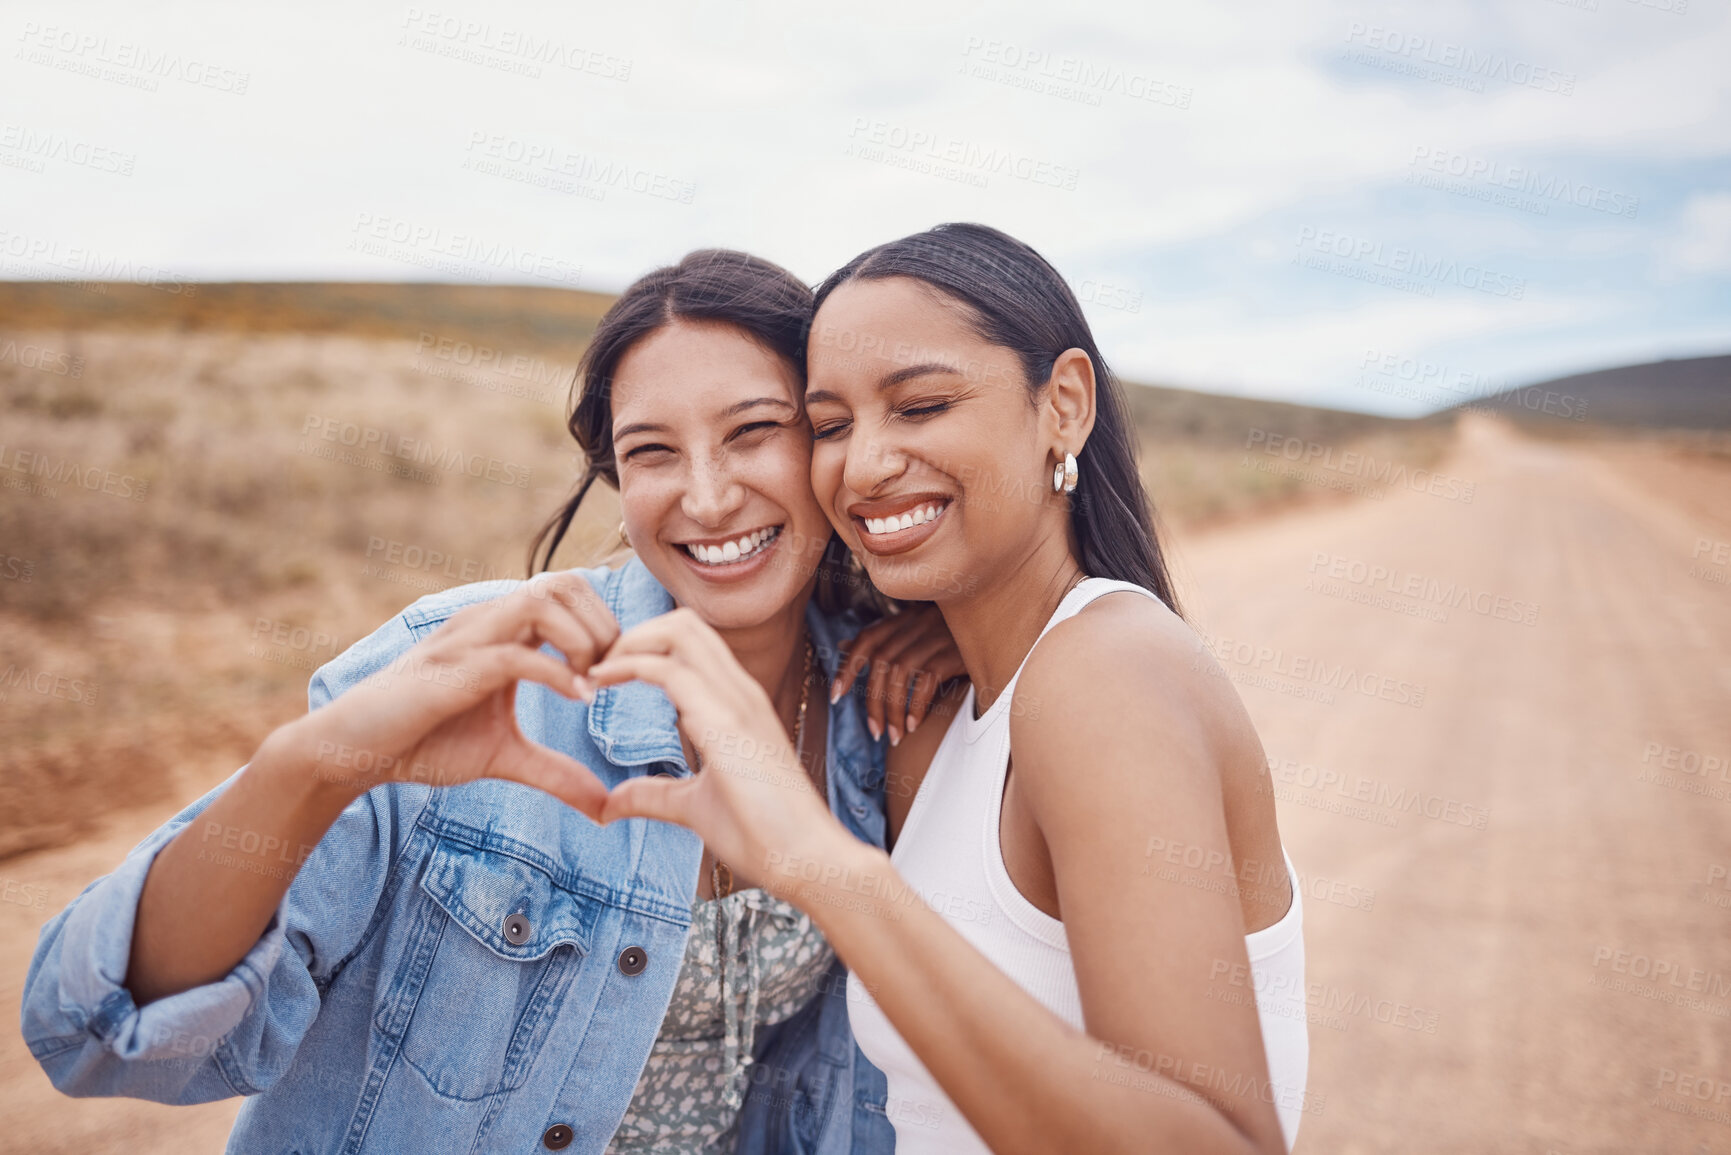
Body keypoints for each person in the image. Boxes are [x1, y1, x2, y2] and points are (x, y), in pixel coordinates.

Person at [20, 249, 963, 1155]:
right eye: (651, 452)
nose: (708, 497)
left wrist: (954, 624)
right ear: (615, 478)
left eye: (754, 431)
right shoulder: (474, 665)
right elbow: (93, 1028)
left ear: (829, 435)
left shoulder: (881, 714)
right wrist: (310, 765)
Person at [589, 224, 1311, 1154]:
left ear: (1063, 404)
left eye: (921, 405)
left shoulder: (1106, 677)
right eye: (832, 426)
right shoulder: (936, 704)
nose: (865, 464)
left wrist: (830, 872)